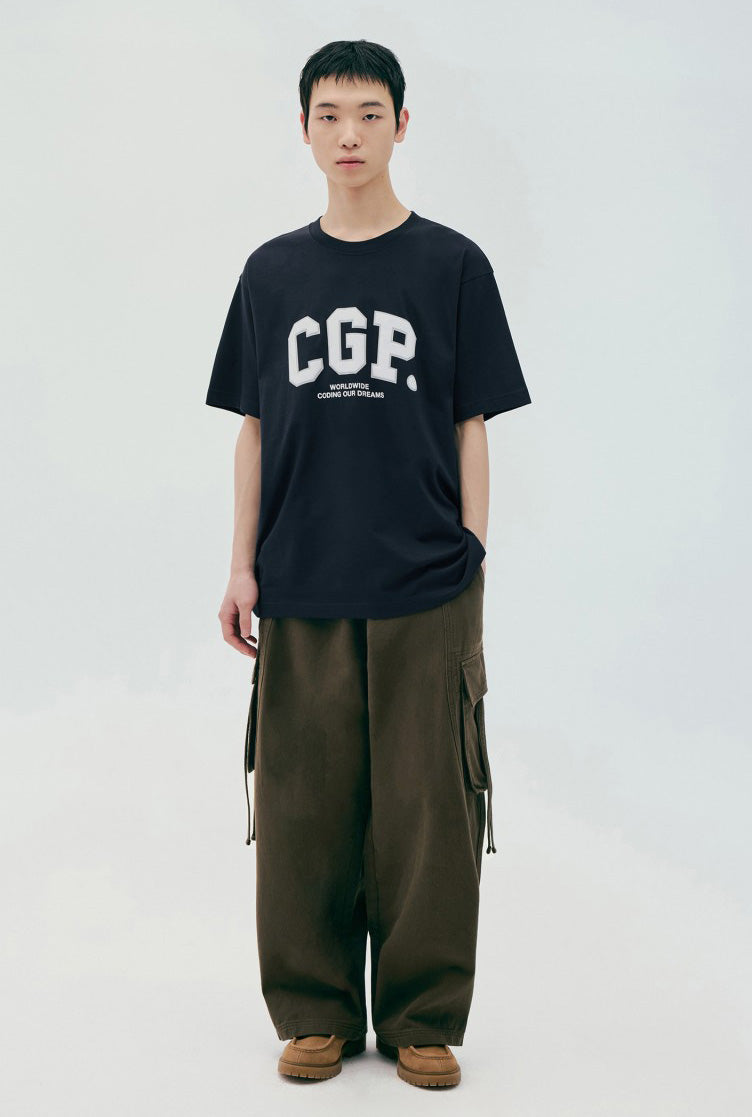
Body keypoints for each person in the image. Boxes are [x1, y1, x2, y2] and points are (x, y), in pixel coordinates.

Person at [205, 39, 531, 1089]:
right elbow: (254, 429)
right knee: (302, 806)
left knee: (430, 807)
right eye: (329, 115)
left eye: (369, 114)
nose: (349, 134)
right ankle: (314, 1011)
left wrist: (472, 548)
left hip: (426, 580)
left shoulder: (451, 265)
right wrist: (241, 565)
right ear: (302, 129)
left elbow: (472, 420)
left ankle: (423, 1016)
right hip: (299, 577)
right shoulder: (271, 272)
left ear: (401, 124)